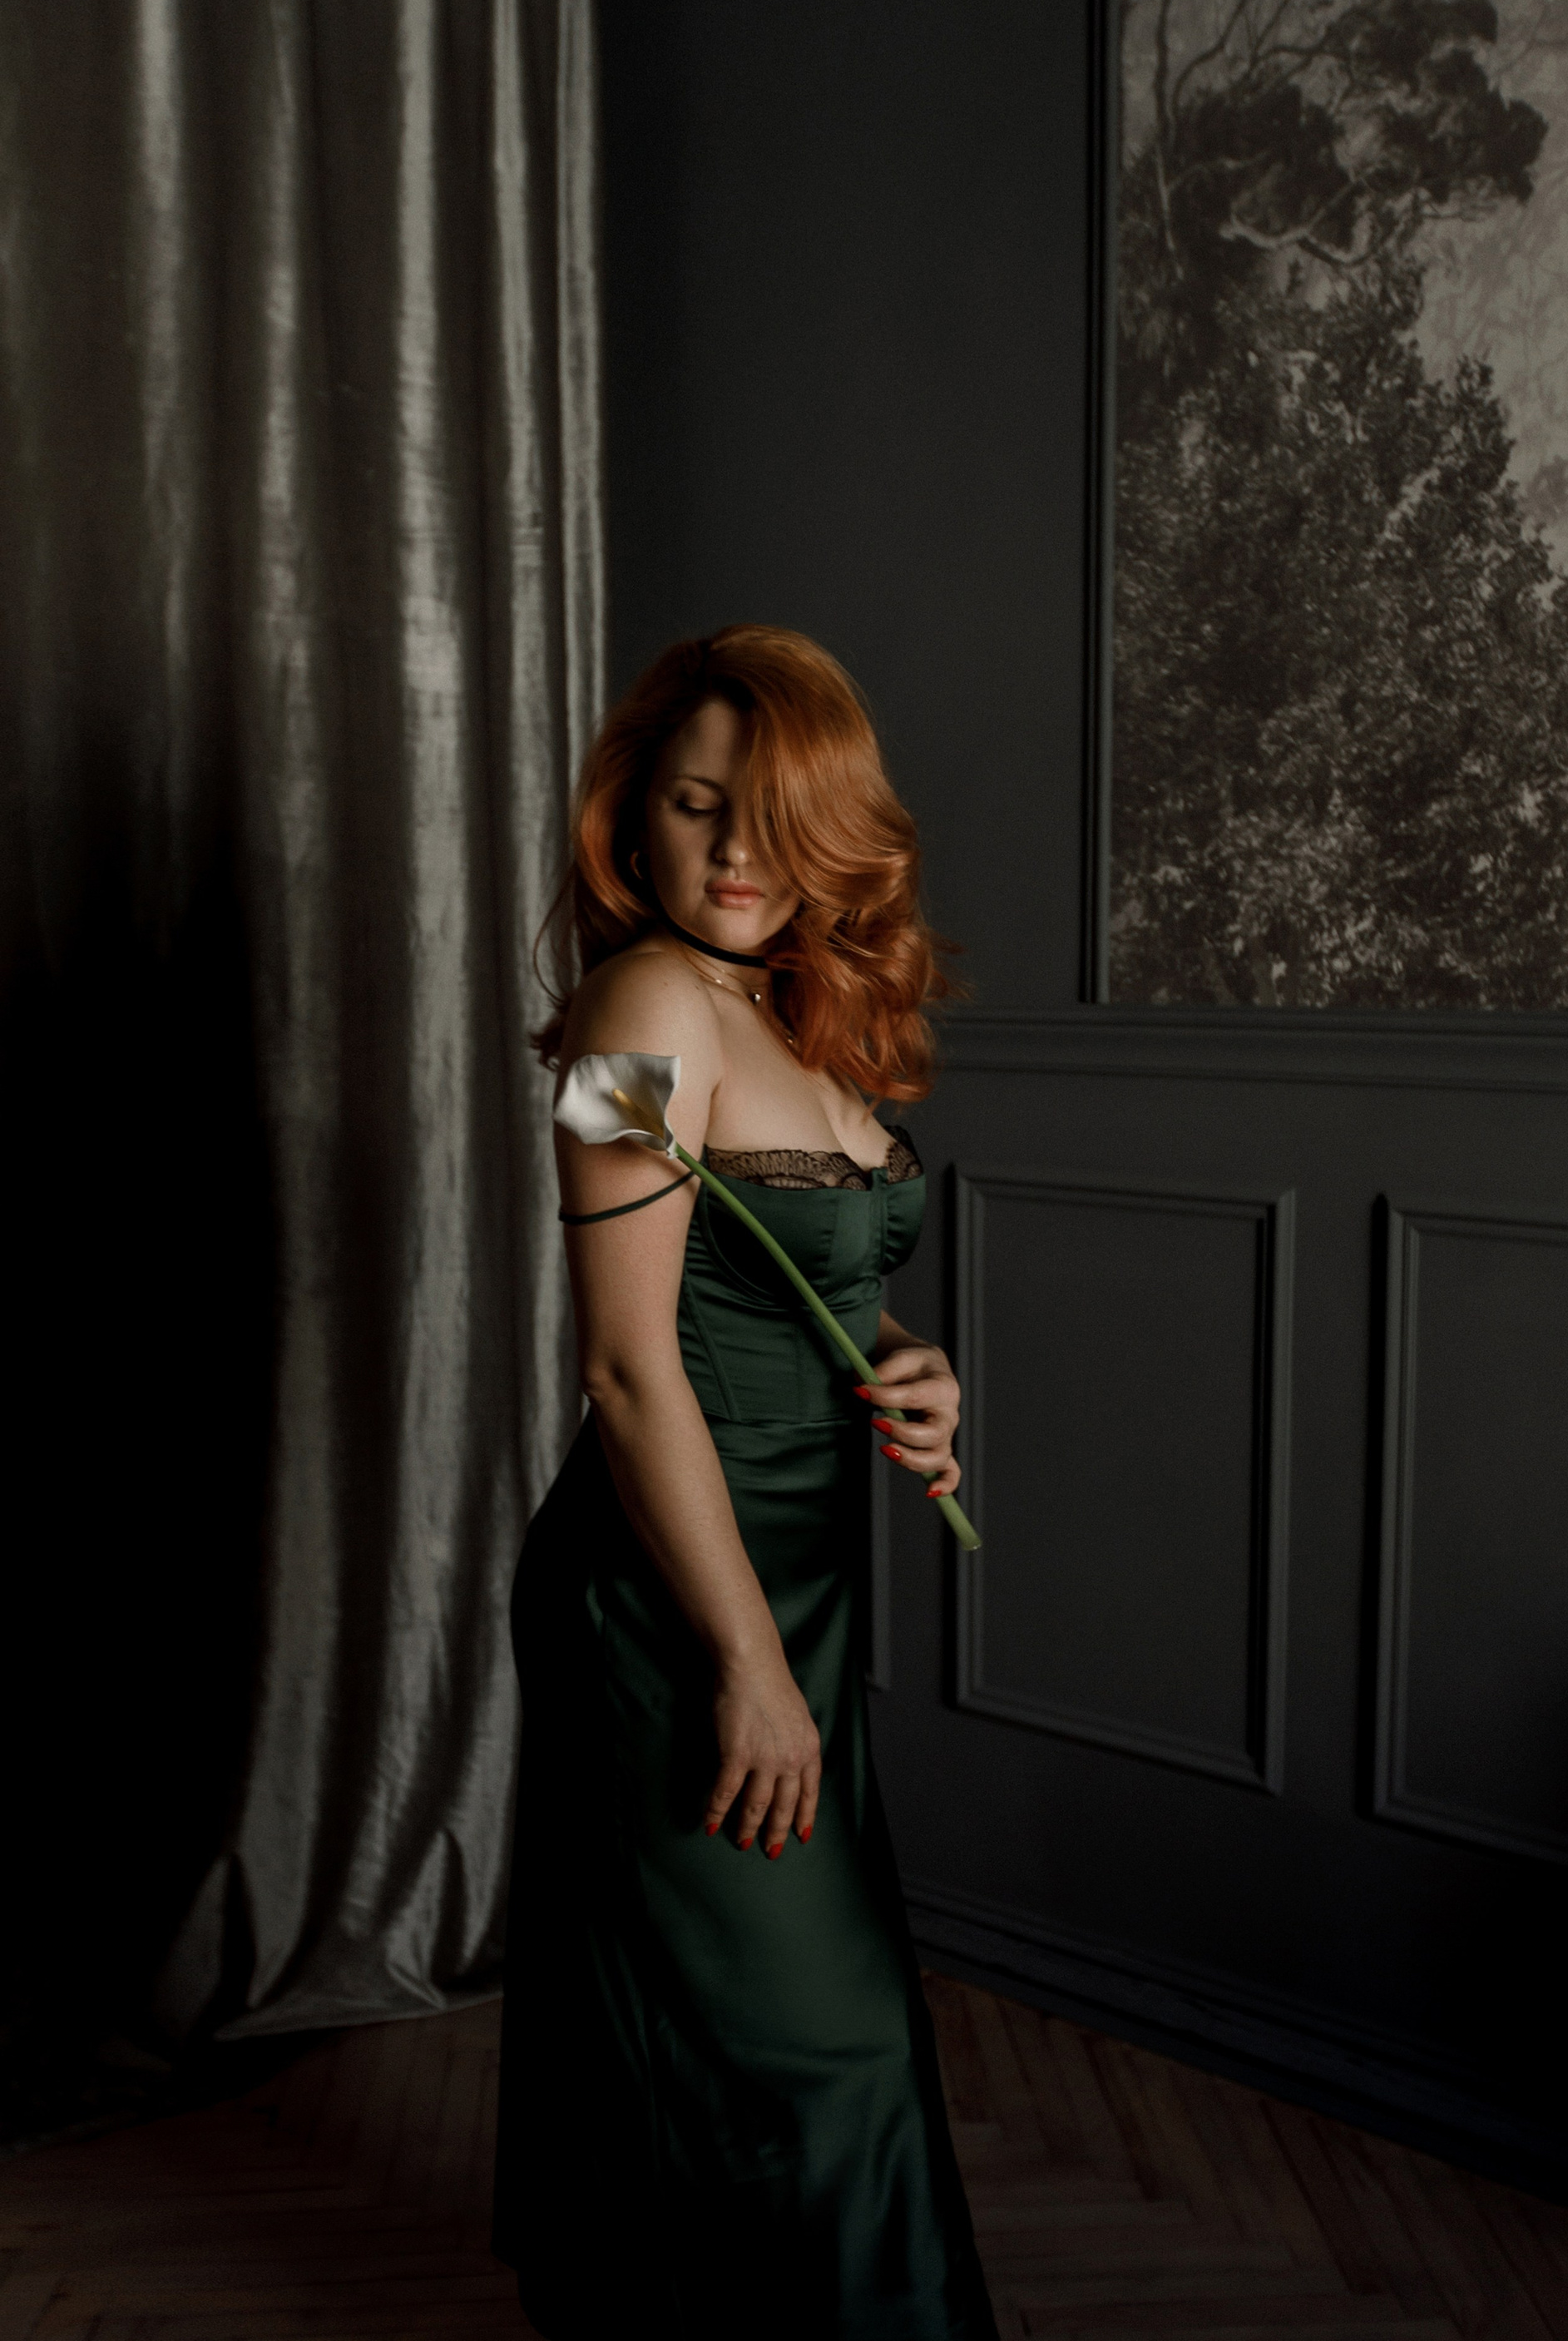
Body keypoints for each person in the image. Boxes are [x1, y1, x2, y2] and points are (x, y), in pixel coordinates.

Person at [492, 626, 998, 2341]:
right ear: (633, 815)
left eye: (770, 812)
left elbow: (810, 1281)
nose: (733, 852)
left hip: (801, 1579)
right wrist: (746, 1664)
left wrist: (912, 1368)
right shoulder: (635, 1009)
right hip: (674, 1596)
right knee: (814, 2041)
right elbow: (627, 1364)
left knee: (806, 2035)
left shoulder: (795, 1001)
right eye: (696, 805)